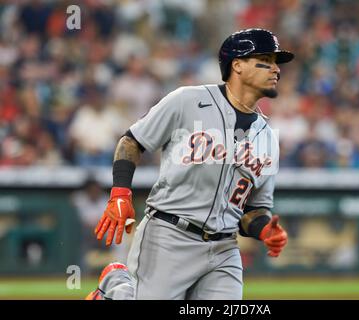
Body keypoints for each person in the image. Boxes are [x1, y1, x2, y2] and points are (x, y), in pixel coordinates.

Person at [86, 28, 292, 300]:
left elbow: (252, 210)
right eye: (265, 60)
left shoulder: (267, 137)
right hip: (170, 235)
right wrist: (120, 193)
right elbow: (132, 141)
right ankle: (117, 284)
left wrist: (265, 229)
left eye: (277, 62)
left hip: (224, 249)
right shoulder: (188, 101)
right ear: (238, 65)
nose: (276, 69)